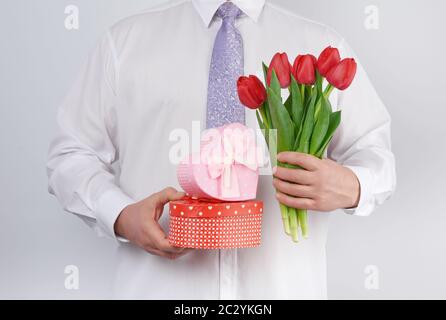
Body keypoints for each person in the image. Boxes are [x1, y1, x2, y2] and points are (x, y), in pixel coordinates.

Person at [47, 0, 396, 299]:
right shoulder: (122, 44)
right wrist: (120, 215)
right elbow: (71, 154)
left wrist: (353, 185)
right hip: (158, 289)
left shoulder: (321, 44)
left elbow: (376, 154)